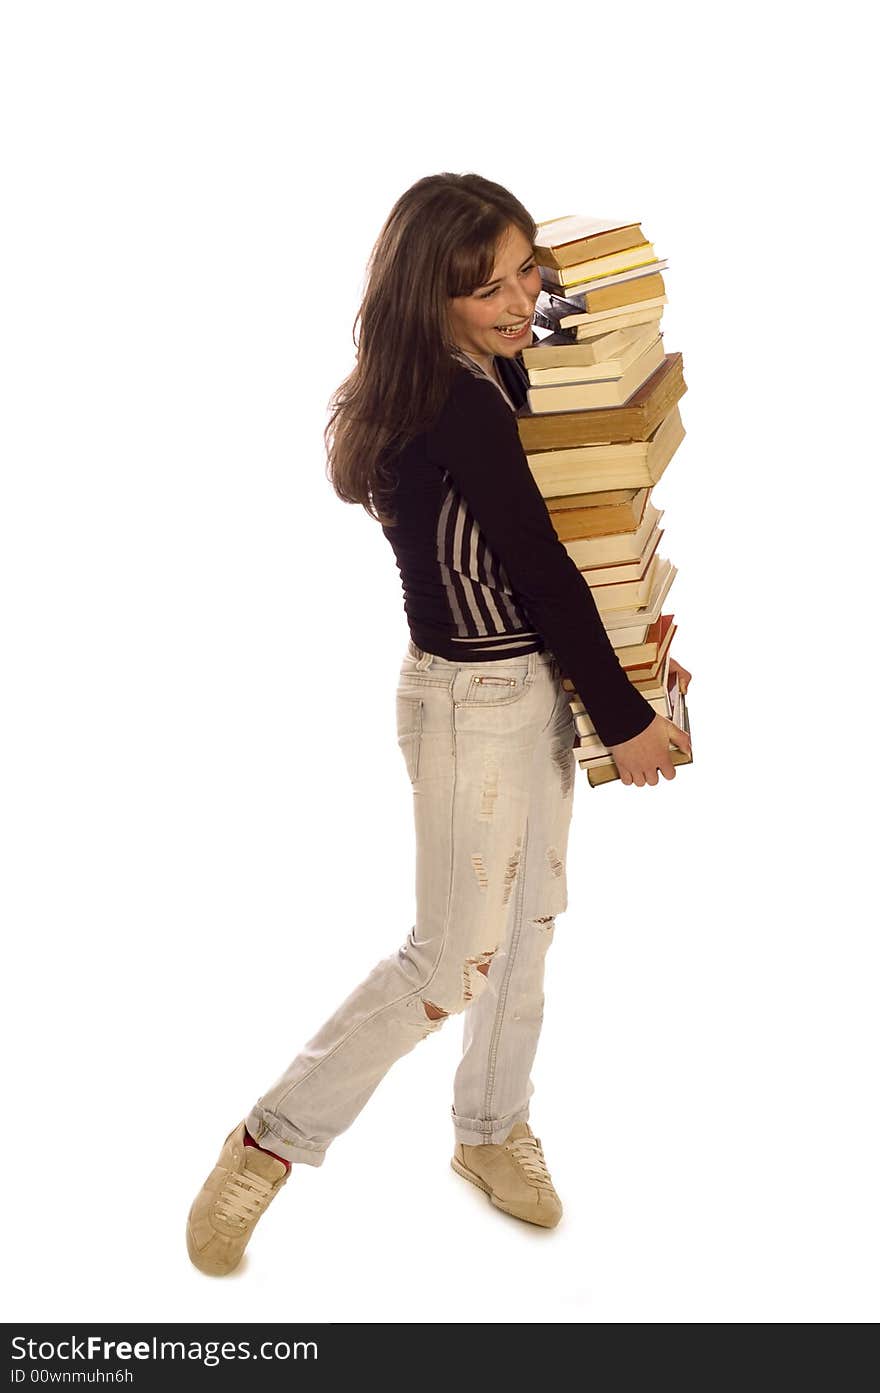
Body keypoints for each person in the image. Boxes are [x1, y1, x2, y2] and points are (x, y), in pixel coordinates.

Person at [186, 173, 692, 1276]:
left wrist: (642, 640)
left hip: (529, 686)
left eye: (526, 272)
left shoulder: (480, 363)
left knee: (527, 926)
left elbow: (574, 530)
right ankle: (270, 1140)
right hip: (475, 703)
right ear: (431, 300)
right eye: (488, 289)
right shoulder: (452, 403)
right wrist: (629, 717)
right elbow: (540, 569)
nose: (520, 302)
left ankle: (490, 1130)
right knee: (447, 958)